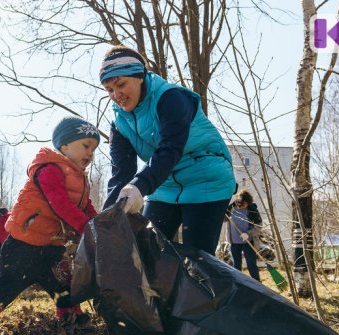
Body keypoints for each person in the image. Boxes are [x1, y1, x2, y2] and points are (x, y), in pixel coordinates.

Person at [0, 116, 100, 335]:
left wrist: (99, 226)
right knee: (3, 292)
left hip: (52, 248)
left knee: (63, 288)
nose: (90, 153)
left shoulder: (80, 180)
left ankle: (71, 321)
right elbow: (60, 203)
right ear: (64, 145)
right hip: (24, 247)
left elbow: (86, 207)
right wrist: (86, 230)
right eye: (86, 146)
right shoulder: (49, 168)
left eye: (94, 149)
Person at [99, 46, 236, 255]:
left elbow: (170, 149)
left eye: (121, 84)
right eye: (109, 89)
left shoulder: (171, 98)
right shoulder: (119, 123)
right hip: (165, 184)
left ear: (140, 77)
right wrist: (108, 221)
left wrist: (139, 185)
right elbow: (121, 175)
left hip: (206, 178)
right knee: (146, 253)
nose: (116, 95)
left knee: (197, 262)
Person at [226, 189, 263, 282]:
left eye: (247, 203)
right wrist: (221, 213)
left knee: (251, 264)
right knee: (236, 265)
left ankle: (257, 284)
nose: (246, 205)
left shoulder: (252, 210)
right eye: (244, 203)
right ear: (239, 202)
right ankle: (238, 284)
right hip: (234, 242)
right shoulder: (231, 208)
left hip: (248, 242)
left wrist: (248, 233)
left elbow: (259, 225)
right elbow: (223, 220)